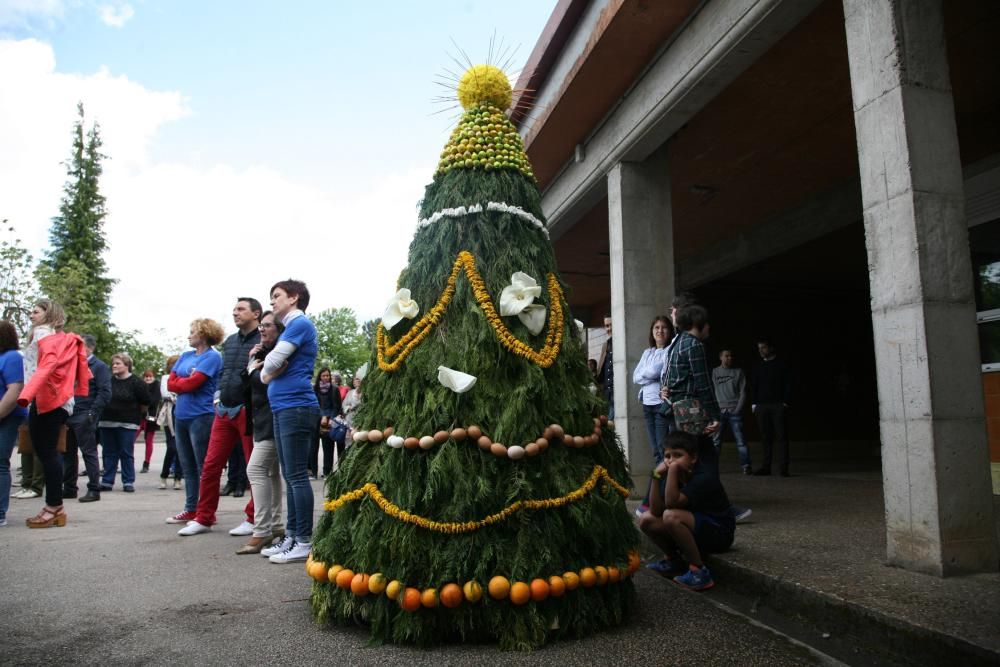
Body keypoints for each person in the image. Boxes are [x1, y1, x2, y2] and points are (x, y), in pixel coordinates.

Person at [177, 298, 262, 537]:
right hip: (224, 409)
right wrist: (217, 397)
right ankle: (204, 517)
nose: (235, 313)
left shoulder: (262, 339)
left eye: (241, 309)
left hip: (248, 410)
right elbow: (224, 372)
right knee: (211, 465)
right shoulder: (231, 341)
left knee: (252, 467)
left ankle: (254, 518)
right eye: (234, 309)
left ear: (256, 313)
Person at [17, 299, 92, 528]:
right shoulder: (57, 338)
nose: (31, 315)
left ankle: (54, 507)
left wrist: (26, 395)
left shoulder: (44, 335)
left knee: (47, 453)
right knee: (48, 452)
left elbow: (47, 366)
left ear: (48, 314)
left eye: (36, 311)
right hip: (54, 400)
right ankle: (54, 506)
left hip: (46, 400)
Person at [260, 279, 320, 564]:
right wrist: (267, 370)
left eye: (276, 296)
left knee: (296, 476)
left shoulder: (299, 324)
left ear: (293, 298)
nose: (272, 302)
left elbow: (269, 365)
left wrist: (268, 369)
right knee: (290, 475)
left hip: (296, 407)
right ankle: (294, 536)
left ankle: (304, 540)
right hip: (284, 407)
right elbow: (264, 371)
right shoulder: (291, 327)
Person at [639, 431, 735, 591]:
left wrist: (673, 470)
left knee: (671, 516)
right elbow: (655, 511)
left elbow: (671, 504)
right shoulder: (668, 474)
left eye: (678, 455)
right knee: (646, 519)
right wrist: (654, 476)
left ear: (694, 458)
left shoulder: (704, 477)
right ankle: (673, 561)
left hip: (719, 533)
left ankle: (699, 572)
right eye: (668, 456)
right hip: (694, 529)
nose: (671, 461)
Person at [165, 318, 224, 525]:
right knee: (187, 465)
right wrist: (183, 381)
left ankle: (206, 511)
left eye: (193, 332)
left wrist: (182, 382)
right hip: (180, 415)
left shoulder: (213, 357)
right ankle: (191, 508)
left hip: (202, 416)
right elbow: (170, 382)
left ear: (204, 334)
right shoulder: (186, 355)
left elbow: (193, 383)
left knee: (203, 467)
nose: (189, 335)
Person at [237, 311, 285, 554]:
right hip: (262, 419)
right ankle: (275, 525)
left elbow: (264, 382)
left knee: (255, 469)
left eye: (267, 325)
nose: (262, 330)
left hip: (273, 419)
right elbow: (249, 382)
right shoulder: (262, 353)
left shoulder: (280, 353)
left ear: (279, 329)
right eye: (261, 326)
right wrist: (252, 364)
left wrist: (254, 369)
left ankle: (262, 530)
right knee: (270, 471)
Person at [62, 333, 111, 503]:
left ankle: (94, 489)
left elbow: (105, 392)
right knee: (67, 453)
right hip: (69, 413)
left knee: (88, 452)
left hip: (85, 413)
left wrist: (92, 413)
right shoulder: (72, 365)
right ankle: (69, 488)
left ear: (88, 348)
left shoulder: (99, 366)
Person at [631, 315, 673, 516]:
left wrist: (647, 374)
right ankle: (658, 496)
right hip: (647, 406)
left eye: (664, 327)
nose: (660, 331)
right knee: (657, 453)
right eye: (656, 327)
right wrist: (648, 374)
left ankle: (653, 498)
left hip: (660, 406)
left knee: (661, 453)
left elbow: (657, 372)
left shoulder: (669, 351)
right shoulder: (648, 352)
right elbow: (636, 376)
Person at [98, 353, 150, 492]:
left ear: (127, 365)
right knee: (109, 452)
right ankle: (107, 481)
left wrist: (138, 415)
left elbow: (145, 400)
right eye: (113, 363)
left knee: (126, 452)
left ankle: (128, 481)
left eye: (118, 363)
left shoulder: (137, 382)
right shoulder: (108, 381)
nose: (114, 366)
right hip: (107, 422)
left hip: (128, 423)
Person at [751, 337, 793, 477]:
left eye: (763, 348)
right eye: (759, 348)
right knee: (765, 437)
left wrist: (785, 402)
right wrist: (754, 403)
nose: (761, 351)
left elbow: (788, 383)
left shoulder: (781, 364)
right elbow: (754, 385)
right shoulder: (758, 366)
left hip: (777, 405)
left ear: (771, 348)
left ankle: (783, 468)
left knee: (781, 436)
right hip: (762, 405)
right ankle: (766, 467)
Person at [0, 320, 27, 527]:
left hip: (7, 416)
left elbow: (15, 389)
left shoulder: (12, 358)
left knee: (0, 463)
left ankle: (0, 513)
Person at [712, 348, 752, 475]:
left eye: (731, 356)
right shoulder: (715, 372)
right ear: (721, 357)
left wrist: (737, 409)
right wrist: (714, 409)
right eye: (726, 356)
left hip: (734, 410)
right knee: (716, 441)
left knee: (740, 441)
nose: (729, 358)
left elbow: (743, 392)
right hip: (719, 411)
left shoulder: (738, 372)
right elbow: (712, 391)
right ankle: (712, 468)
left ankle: (746, 466)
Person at [311, 367, 342, 478]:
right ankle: (312, 471)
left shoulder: (334, 389)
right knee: (313, 446)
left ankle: (327, 472)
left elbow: (337, 406)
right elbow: (313, 405)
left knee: (328, 447)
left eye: (327, 376)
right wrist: (321, 415)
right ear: (319, 376)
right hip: (316, 420)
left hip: (330, 421)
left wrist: (329, 418)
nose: (325, 378)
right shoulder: (314, 388)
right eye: (323, 375)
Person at [157, 355, 182, 490]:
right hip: (170, 413)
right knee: (172, 447)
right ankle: (164, 475)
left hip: (183, 410)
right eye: (173, 363)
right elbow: (165, 394)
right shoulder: (165, 378)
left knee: (181, 448)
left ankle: (178, 477)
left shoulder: (184, 377)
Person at [595, 316, 614, 419]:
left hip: (617, 391)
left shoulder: (620, 343)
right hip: (606, 391)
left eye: (611, 325)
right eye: (607, 326)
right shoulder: (606, 344)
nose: (609, 329)